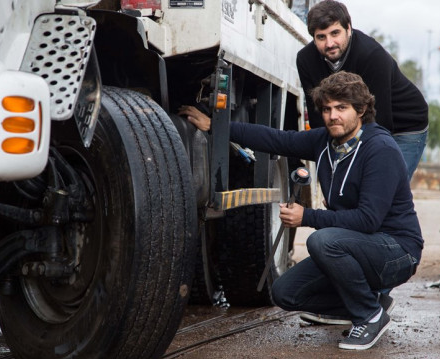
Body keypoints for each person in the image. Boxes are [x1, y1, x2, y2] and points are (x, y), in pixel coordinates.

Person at [179, 71, 423, 350]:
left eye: (342, 108)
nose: (333, 116)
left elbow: (368, 220)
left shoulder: (380, 148)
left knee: (321, 241)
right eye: (328, 109)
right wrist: (217, 126)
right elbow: (276, 139)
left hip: (396, 250)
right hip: (358, 247)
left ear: (361, 109)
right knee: (285, 293)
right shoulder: (325, 142)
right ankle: (371, 302)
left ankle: (369, 316)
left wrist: (307, 216)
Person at [298, 0, 428, 180]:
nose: (329, 43)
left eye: (335, 33)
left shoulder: (371, 55)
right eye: (321, 37)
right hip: (363, 123)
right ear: (313, 37)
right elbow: (319, 119)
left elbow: (380, 123)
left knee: (385, 186)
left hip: (404, 125)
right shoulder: (305, 60)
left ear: (349, 29)